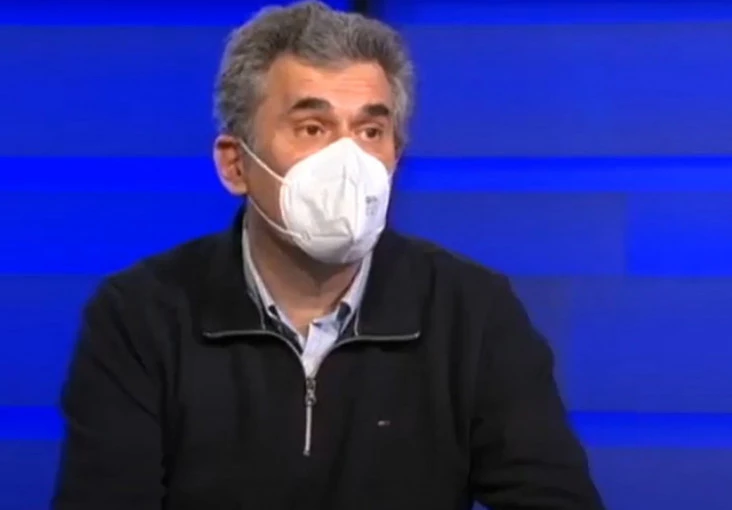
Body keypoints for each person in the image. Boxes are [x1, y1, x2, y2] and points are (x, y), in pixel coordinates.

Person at [52, 2, 605, 509]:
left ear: (396, 157)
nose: (348, 160)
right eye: (313, 127)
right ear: (235, 164)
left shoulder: (471, 312)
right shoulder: (140, 316)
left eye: (370, 130)